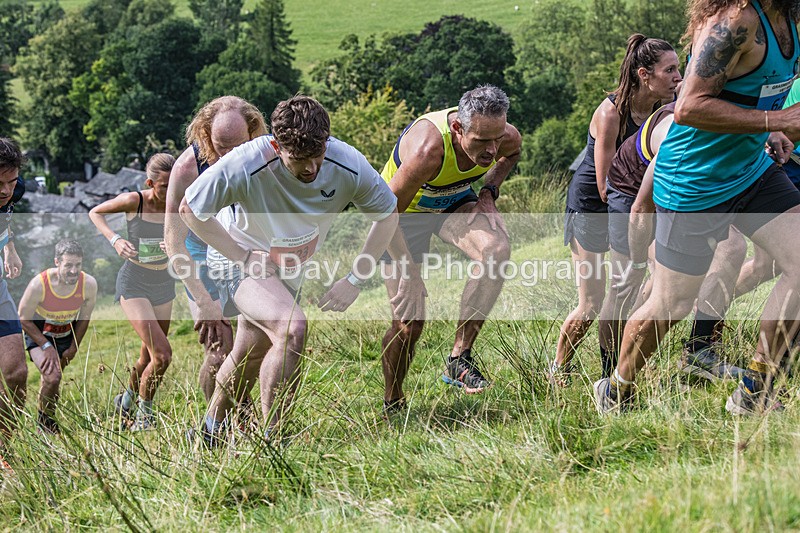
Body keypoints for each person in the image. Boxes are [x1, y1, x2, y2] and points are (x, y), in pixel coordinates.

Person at [595, 0, 800, 415]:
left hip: (751, 169)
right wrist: (772, 123)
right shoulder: (736, 21)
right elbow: (688, 107)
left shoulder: (788, 20)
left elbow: (761, 87)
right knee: (671, 305)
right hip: (695, 184)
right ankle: (617, 388)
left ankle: (755, 389)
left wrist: (769, 127)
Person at [181, 95, 406, 446]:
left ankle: (208, 431)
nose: (311, 169)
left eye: (317, 156)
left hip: (289, 266)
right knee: (291, 327)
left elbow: (387, 214)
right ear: (275, 145)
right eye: (298, 160)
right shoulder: (246, 162)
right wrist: (241, 255)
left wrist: (356, 279)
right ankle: (273, 442)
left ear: (327, 141)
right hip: (238, 258)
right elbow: (189, 210)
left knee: (249, 353)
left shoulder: (347, 163)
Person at [378, 85, 521, 410]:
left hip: (451, 202)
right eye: (482, 142)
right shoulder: (428, 151)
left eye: (496, 138)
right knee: (409, 324)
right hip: (401, 216)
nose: (491, 150)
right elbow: (385, 214)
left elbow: (511, 153)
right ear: (457, 129)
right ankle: (393, 398)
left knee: (496, 250)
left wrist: (488, 193)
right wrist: (409, 271)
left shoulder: (504, 136)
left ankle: (459, 358)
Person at [551, 34, 681, 384]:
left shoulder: (662, 109)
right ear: (644, 74)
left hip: (634, 203)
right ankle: (561, 367)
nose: (678, 77)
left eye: (678, 69)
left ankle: (622, 363)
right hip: (593, 206)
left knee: (651, 274)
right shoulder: (610, 113)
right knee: (591, 303)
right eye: (670, 70)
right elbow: (605, 187)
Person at [164, 96, 268, 406]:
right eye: (222, 148)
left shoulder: (264, 154)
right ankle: (217, 427)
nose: (230, 157)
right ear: (205, 135)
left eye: (238, 147)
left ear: (252, 132)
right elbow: (173, 240)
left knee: (255, 345)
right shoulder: (186, 169)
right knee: (218, 349)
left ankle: (248, 418)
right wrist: (204, 300)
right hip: (200, 257)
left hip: (242, 250)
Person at [89, 153, 176, 430]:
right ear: (150, 183)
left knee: (147, 357)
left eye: (175, 184)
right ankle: (143, 419)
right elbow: (96, 212)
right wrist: (115, 239)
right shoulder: (134, 201)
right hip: (134, 281)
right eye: (164, 186)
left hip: (163, 282)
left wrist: (175, 246)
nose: (171, 190)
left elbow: (194, 235)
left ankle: (125, 402)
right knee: (162, 355)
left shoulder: (178, 203)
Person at [17, 240, 97, 434]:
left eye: (78, 265)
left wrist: (74, 347)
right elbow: (23, 318)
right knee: (53, 378)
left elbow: (84, 319)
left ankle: (46, 420)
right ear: (57, 262)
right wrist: (46, 346)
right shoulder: (39, 284)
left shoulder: (89, 284)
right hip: (39, 335)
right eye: (68, 265)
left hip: (66, 335)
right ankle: (45, 426)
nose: (73, 270)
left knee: (52, 380)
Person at [0, 138, 27, 466]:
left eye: (11, 181)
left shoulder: (14, 192)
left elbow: (6, 215)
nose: (6, 190)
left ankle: (5, 445)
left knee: (17, 372)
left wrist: (9, 247)